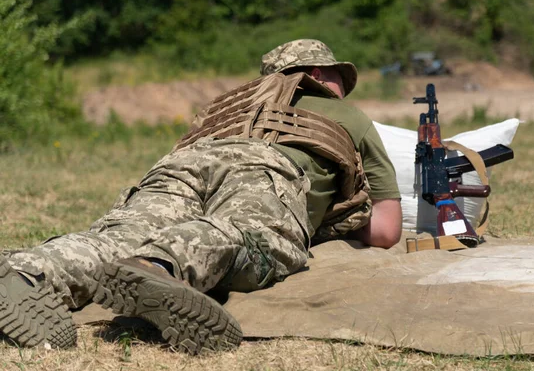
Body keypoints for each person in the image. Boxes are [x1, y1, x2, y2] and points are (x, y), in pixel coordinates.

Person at [0, 39, 402, 354]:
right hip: (264, 169)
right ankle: (158, 265)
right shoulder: (348, 116)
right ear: (316, 72)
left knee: (117, 236)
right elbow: (386, 230)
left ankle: (28, 271)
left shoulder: (227, 108)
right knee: (252, 236)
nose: (342, 91)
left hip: (181, 165)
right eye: (338, 79)